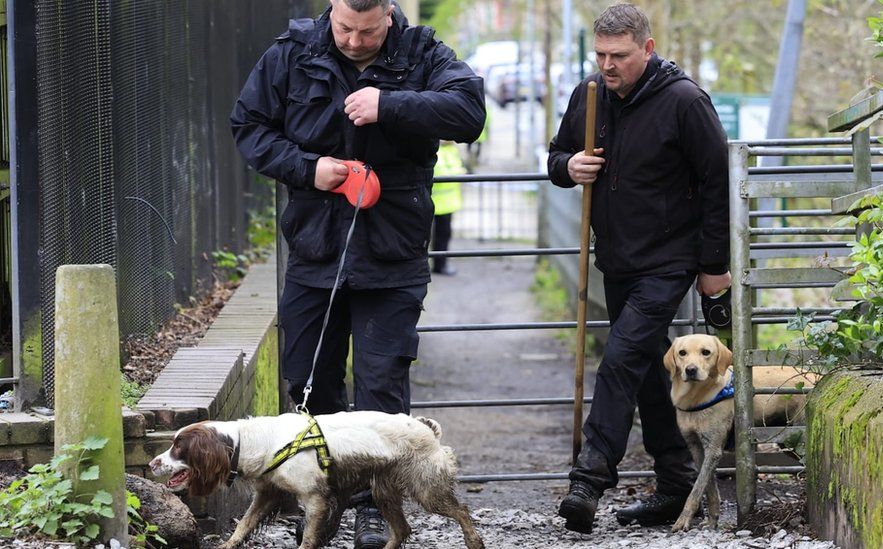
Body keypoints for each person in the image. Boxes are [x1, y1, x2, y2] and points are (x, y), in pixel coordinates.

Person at [230, 1, 485, 547]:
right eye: (344, 27)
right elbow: (247, 126)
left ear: (388, 17)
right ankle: (320, 502)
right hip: (315, 253)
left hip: (393, 254)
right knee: (308, 381)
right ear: (332, 10)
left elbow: (469, 113)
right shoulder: (292, 53)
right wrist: (307, 168)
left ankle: (376, 507)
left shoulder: (423, 54)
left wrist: (390, 104)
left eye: (367, 31)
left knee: (380, 390)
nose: (352, 40)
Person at [547, 3, 731, 534]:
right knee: (653, 368)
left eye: (619, 56)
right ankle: (675, 483)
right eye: (600, 54)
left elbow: (717, 183)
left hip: (670, 259)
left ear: (646, 50)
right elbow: (557, 156)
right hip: (618, 259)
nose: (608, 65)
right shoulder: (588, 96)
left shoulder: (684, 100)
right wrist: (568, 167)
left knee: (622, 356)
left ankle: (589, 478)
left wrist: (714, 265)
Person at [431, 141, 466, 275]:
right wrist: (459, 172)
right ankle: (438, 265)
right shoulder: (437, 150)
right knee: (435, 236)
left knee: (444, 235)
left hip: (447, 202)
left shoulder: (451, 150)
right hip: (437, 201)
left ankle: (440, 264)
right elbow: (440, 172)